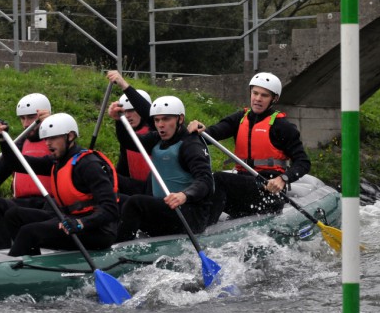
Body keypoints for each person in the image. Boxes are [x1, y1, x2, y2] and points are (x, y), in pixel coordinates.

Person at [0, 113, 120, 257]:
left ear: (70, 136)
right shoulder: (56, 162)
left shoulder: (89, 165)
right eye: (46, 139)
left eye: (53, 138)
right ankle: (31, 261)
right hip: (69, 220)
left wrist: (81, 223)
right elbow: (16, 163)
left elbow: (111, 209)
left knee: (29, 231)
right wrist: (3, 140)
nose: (47, 143)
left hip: (97, 230)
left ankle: (15, 265)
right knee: (13, 215)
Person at [188, 72, 311, 223]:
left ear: (274, 99)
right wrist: (199, 131)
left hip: (268, 192)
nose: (258, 99)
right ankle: (196, 221)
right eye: (255, 93)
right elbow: (213, 133)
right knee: (207, 182)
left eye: (264, 95)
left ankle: (203, 228)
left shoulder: (283, 126)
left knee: (219, 179)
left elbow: (303, 162)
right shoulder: (240, 118)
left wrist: (283, 179)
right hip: (244, 188)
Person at [114, 96, 214, 242]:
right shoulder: (157, 139)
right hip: (166, 209)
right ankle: (106, 237)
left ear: (180, 119)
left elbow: (205, 180)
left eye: (166, 119)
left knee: (135, 203)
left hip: (190, 216)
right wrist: (119, 121)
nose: (160, 125)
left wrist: (184, 195)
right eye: (157, 120)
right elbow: (129, 142)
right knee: (115, 199)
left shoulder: (191, 145)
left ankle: (118, 249)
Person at [0, 93, 52, 249]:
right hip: (23, 204)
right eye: (22, 118)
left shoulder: (57, 142)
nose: (25, 124)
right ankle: (2, 253)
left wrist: (52, 123)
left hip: (49, 205)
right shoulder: (19, 146)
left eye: (30, 118)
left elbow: (18, 163)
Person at [105, 70, 153, 196]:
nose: (128, 115)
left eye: (132, 110)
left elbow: (149, 114)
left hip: (155, 189)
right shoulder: (127, 138)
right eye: (125, 112)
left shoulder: (157, 132)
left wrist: (123, 84)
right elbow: (122, 171)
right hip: (137, 188)